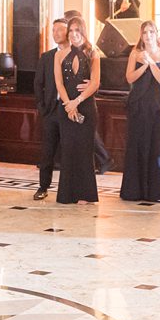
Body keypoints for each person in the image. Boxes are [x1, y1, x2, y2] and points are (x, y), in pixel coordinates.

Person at [121, 20, 160, 205]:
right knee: (137, 145)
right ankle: (134, 190)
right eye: (145, 32)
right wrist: (143, 64)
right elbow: (129, 77)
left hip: (156, 105)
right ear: (141, 35)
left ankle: (156, 190)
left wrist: (151, 63)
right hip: (138, 104)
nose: (148, 35)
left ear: (156, 34)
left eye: (151, 32)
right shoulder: (135, 53)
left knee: (156, 146)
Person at [53, 16, 100, 205]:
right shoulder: (59, 55)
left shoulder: (93, 53)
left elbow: (95, 82)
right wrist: (68, 104)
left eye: (77, 31)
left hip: (86, 107)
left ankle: (86, 194)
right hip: (66, 108)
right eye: (70, 31)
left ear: (83, 31)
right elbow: (59, 82)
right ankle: (68, 194)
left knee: (84, 151)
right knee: (68, 150)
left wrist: (78, 101)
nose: (73, 34)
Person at [33, 18, 69, 201]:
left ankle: (68, 188)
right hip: (51, 110)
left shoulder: (75, 55)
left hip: (69, 109)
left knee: (69, 151)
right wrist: (42, 106)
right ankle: (43, 186)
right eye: (53, 30)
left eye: (59, 30)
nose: (55, 33)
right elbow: (38, 84)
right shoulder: (47, 57)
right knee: (47, 151)